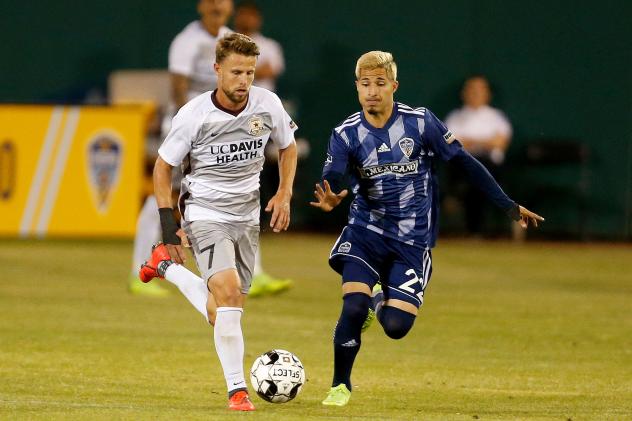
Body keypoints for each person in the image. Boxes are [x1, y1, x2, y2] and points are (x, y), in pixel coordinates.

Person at [310, 51, 543, 406]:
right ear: (357, 87)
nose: (372, 91)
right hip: (365, 233)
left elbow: (465, 163)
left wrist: (508, 206)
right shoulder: (346, 133)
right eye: (365, 84)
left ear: (394, 86)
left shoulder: (421, 123)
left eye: (380, 83)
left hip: (412, 242)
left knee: (396, 327)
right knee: (352, 307)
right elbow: (333, 174)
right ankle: (340, 386)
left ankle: (378, 297)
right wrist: (329, 194)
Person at [138, 33, 298, 411]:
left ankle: (164, 266)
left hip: (246, 215)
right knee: (227, 293)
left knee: (222, 310)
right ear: (217, 70)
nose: (244, 80)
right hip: (204, 213)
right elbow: (163, 169)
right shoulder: (194, 115)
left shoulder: (267, 104)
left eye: (250, 72)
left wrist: (284, 193)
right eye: (236, 72)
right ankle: (237, 390)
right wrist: (168, 225)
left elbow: (288, 147)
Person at [128, 0, 291, 297]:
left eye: (223, 1)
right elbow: (178, 87)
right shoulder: (186, 42)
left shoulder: (231, 40)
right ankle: (139, 270)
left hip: (229, 125)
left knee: (241, 189)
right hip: (193, 127)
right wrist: (194, 128)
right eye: (212, 1)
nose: (218, 5)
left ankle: (254, 273)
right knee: (162, 194)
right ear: (201, 6)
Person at [445, 75, 513, 236]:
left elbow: (500, 144)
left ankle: (475, 229)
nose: (475, 93)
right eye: (471, 89)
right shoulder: (454, 117)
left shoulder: (497, 117)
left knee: (481, 172)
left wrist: (469, 141)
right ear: (464, 93)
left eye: (479, 90)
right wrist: (486, 141)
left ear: (487, 94)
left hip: (493, 168)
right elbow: (451, 143)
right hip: (461, 167)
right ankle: (474, 229)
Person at [233, 0, 285, 92]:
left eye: (251, 15)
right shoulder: (223, 42)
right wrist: (255, 71)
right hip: (230, 101)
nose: (247, 18)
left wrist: (236, 72)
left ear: (259, 19)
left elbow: (271, 71)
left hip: (262, 101)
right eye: (243, 14)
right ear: (235, 17)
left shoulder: (270, 46)